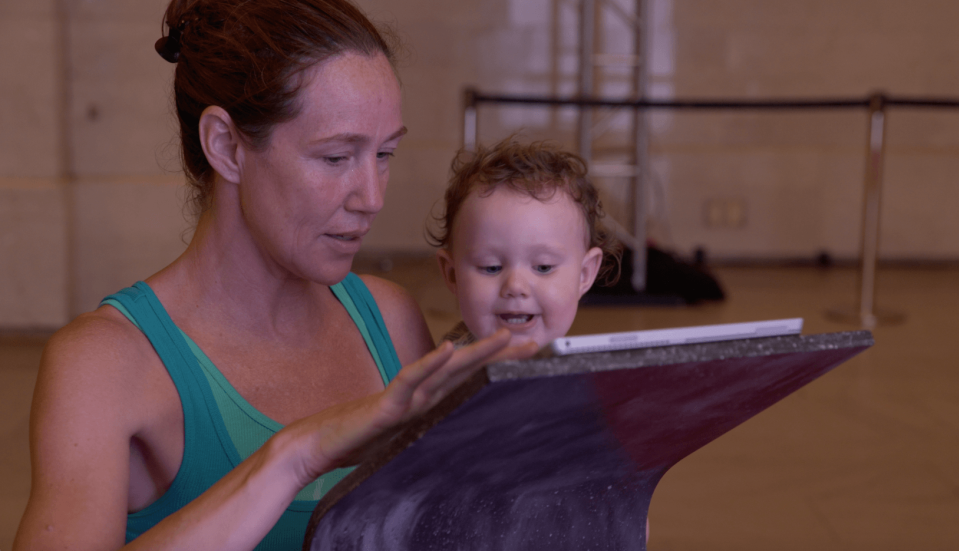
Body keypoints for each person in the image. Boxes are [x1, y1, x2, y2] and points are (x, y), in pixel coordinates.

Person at [13, 1, 535, 549]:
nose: (372, 197)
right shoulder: (105, 364)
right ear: (226, 146)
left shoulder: (390, 320)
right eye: (336, 158)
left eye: (384, 154)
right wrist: (293, 458)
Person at [430, 138, 621, 349]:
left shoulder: (592, 363)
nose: (515, 286)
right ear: (452, 274)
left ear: (584, 274)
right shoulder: (452, 366)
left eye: (543, 267)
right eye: (491, 267)